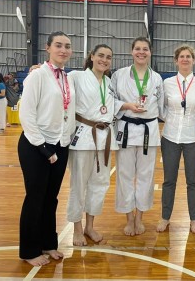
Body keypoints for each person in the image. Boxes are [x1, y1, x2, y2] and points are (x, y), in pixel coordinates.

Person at [18, 31, 76, 266]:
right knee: (35, 197)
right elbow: (27, 113)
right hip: (36, 145)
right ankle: (30, 251)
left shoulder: (68, 78)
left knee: (51, 198)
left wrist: (66, 139)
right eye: (59, 45)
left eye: (67, 46)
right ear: (48, 48)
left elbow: (68, 110)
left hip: (60, 144)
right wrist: (42, 146)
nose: (63, 50)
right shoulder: (37, 76)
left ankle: (48, 243)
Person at [111, 36, 164, 236]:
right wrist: (126, 106)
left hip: (149, 130)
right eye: (138, 49)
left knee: (146, 176)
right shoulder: (119, 75)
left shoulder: (157, 78)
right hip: (125, 128)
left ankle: (140, 217)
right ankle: (129, 218)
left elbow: (162, 108)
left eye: (145, 49)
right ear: (131, 51)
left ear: (150, 53)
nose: (141, 52)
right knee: (124, 175)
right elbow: (111, 100)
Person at [66, 44, 118, 246]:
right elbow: (58, 84)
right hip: (83, 136)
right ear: (92, 56)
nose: (104, 60)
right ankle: (76, 229)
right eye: (101, 56)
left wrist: (128, 106)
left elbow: (111, 105)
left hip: (104, 137)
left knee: (100, 184)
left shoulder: (108, 82)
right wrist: (38, 70)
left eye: (108, 57)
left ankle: (90, 226)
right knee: (79, 184)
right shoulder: (76, 77)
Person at [157, 45, 195, 234]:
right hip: (170, 137)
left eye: (188, 56)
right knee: (169, 180)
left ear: (193, 60)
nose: (185, 59)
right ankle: (165, 217)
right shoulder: (167, 83)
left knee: (193, 181)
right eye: (181, 56)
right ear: (176, 60)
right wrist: (170, 120)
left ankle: (194, 219)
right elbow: (161, 109)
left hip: (194, 138)